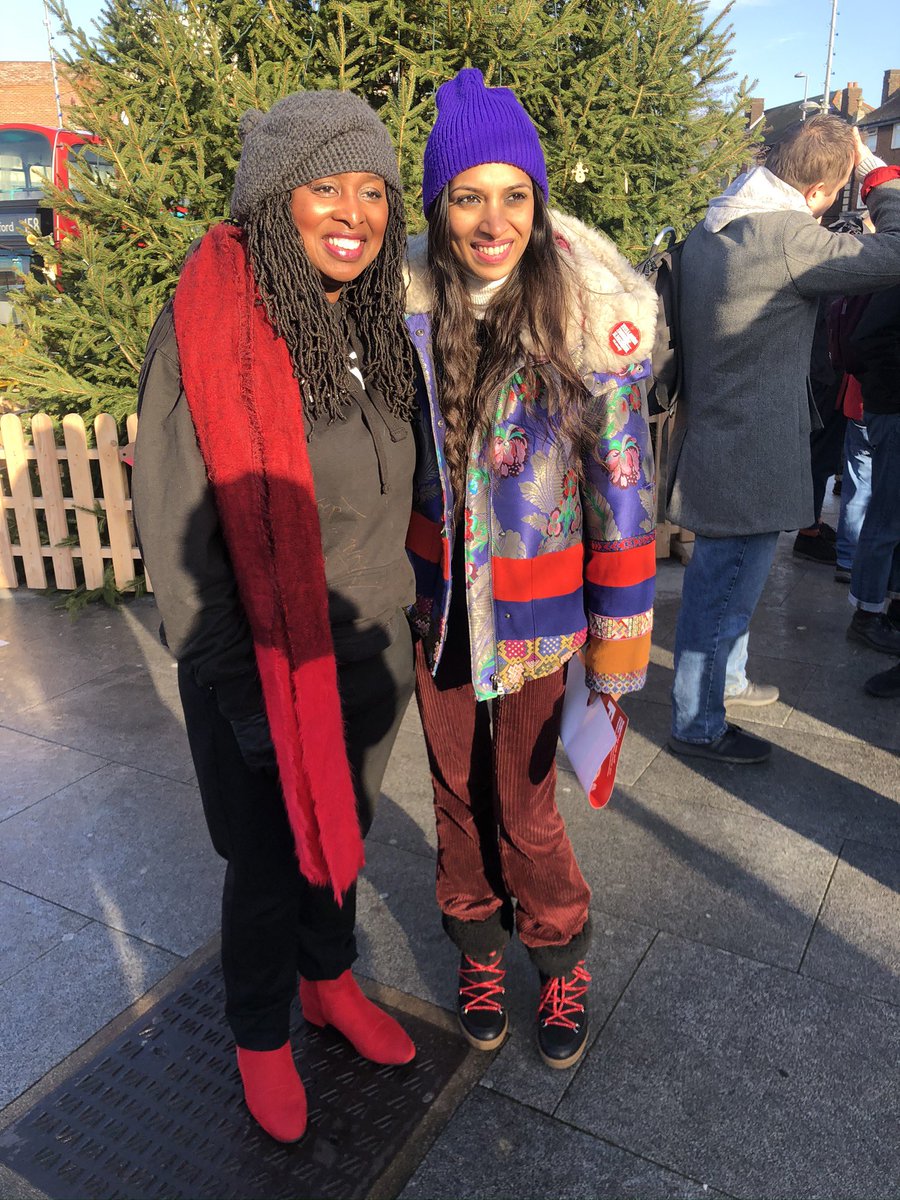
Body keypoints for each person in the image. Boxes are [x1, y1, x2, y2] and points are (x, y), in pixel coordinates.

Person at [133, 91, 419, 1143]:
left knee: (344, 835)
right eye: (325, 186)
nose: (355, 210)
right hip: (260, 658)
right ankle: (260, 1032)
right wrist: (239, 686)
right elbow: (178, 534)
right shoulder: (211, 327)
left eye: (372, 188)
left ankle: (328, 982)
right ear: (270, 201)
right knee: (265, 864)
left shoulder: (376, 317)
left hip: (371, 638)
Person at [404, 69, 657, 1070]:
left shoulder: (589, 323)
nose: (491, 218)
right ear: (440, 207)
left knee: (527, 804)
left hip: (540, 615)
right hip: (438, 611)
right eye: (469, 195)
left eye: (513, 194)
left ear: (538, 201)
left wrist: (619, 637)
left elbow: (624, 491)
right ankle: (475, 945)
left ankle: (557, 956)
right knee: (456, 799)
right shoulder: (409, 315)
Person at [666, 116, 900, 765]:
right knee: (721, 585)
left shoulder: (722, 220)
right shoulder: (787, 235)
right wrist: (879, 175)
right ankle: (696, 722)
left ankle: (728, 680)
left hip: (723, 435)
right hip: (750, 446)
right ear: (824, 189)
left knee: (736, 574)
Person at [845, 282, 900, 661]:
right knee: (886, 516)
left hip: (888, 404)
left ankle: (887, 603)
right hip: (892, 409)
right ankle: (866, 614)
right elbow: (861, 345)